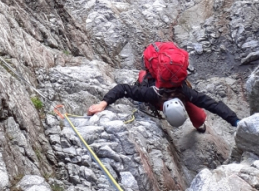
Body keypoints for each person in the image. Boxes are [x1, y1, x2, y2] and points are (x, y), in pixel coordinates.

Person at [87, 41, 240, 131]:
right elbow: (212, 104)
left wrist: (235, 120)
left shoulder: (184, 92)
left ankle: (199, 125)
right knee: (143, 78)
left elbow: (124, 89)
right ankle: (143, 77)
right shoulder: (162, 93)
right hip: (156, 80)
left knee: (199, 119)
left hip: (165, 87)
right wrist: (103, 103)